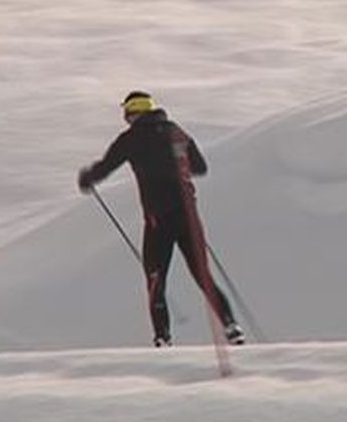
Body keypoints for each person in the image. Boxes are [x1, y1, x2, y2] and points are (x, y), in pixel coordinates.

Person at [78, 91, 245, 348]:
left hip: (158, 221)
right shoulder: (176, 132)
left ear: (131, 114)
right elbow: (200, 167)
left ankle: (163, 338)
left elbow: (106, 166)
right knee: (203, 275)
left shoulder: (131, 139)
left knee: (156, 280)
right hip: (189, 216)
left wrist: (88, 178)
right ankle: (231, 326)